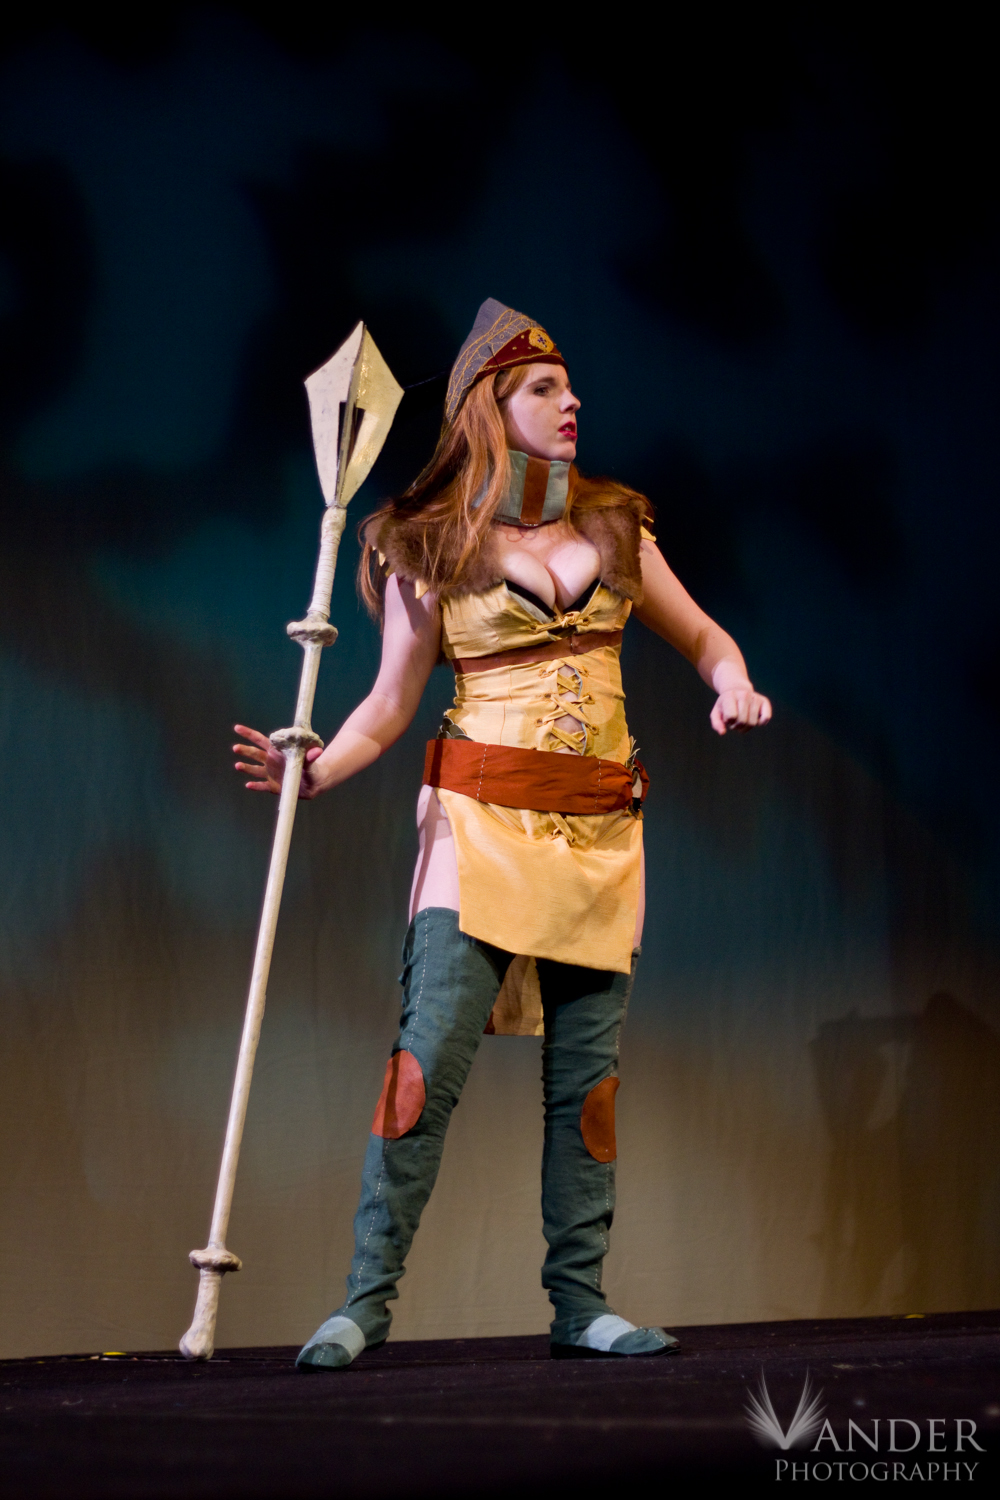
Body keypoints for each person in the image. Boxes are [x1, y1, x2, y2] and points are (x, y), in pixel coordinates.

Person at [234, 298, 771, 1370]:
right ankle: (363, 1304)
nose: (571, 404)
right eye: (543, 388)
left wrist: (733, 682)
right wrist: (317, 768)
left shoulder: (615, 528)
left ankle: (581, 1303)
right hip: (477, 830)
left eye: (569, 387)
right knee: (423, 1066)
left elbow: (707, 637)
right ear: (490, 405)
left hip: (599, 838)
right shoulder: (429, 544)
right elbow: (389, 704)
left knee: (588, 1087)